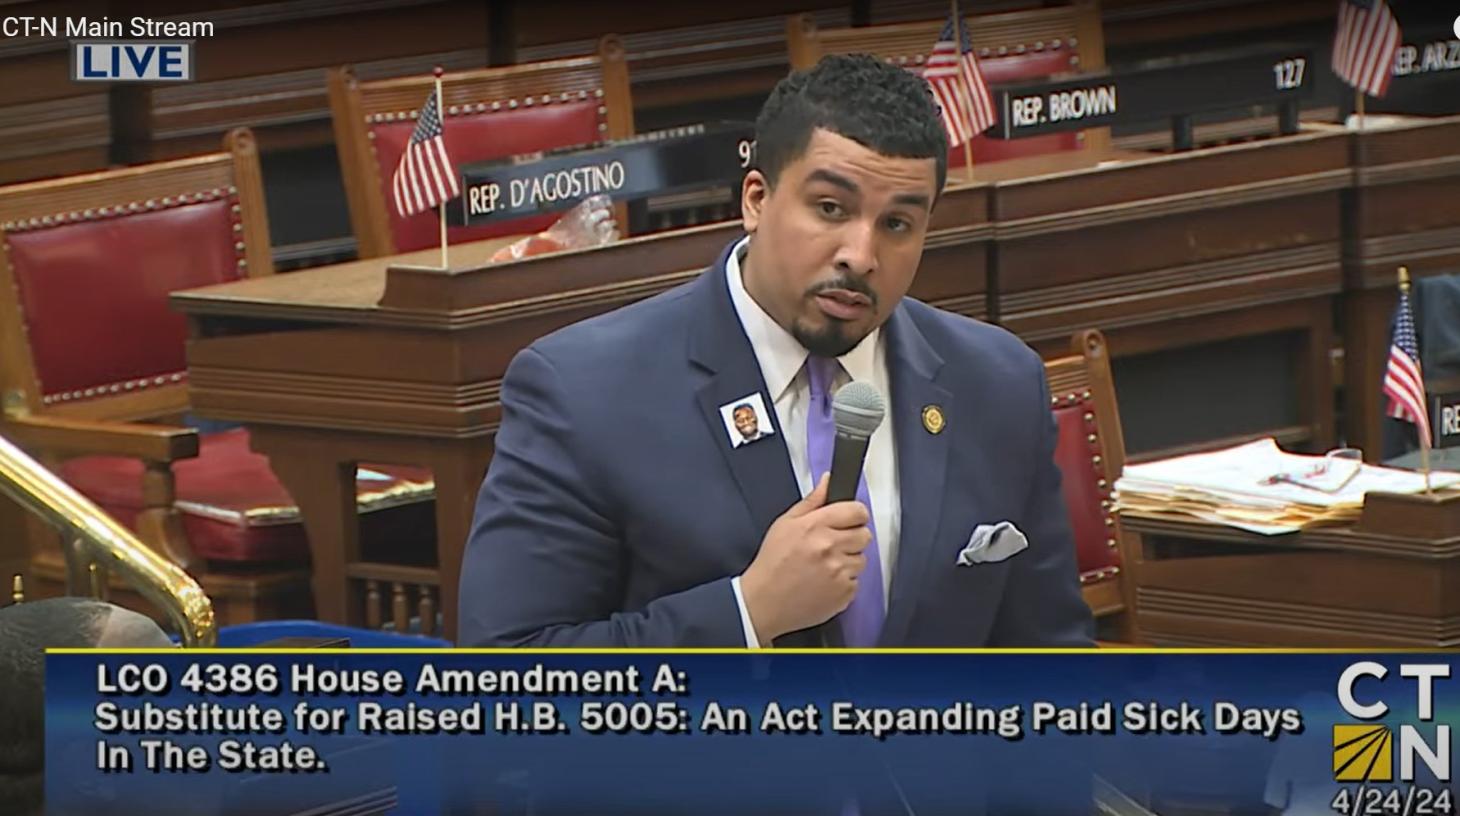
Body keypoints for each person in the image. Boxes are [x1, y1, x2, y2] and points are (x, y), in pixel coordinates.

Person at [459, 53, 1093, 650]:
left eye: (897, 224)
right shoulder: (583, 393)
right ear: (756, 200)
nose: (861, 256)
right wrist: (748, 612)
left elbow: (1052, 665)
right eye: (830, 208)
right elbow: (510, 676)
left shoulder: (998, 382)